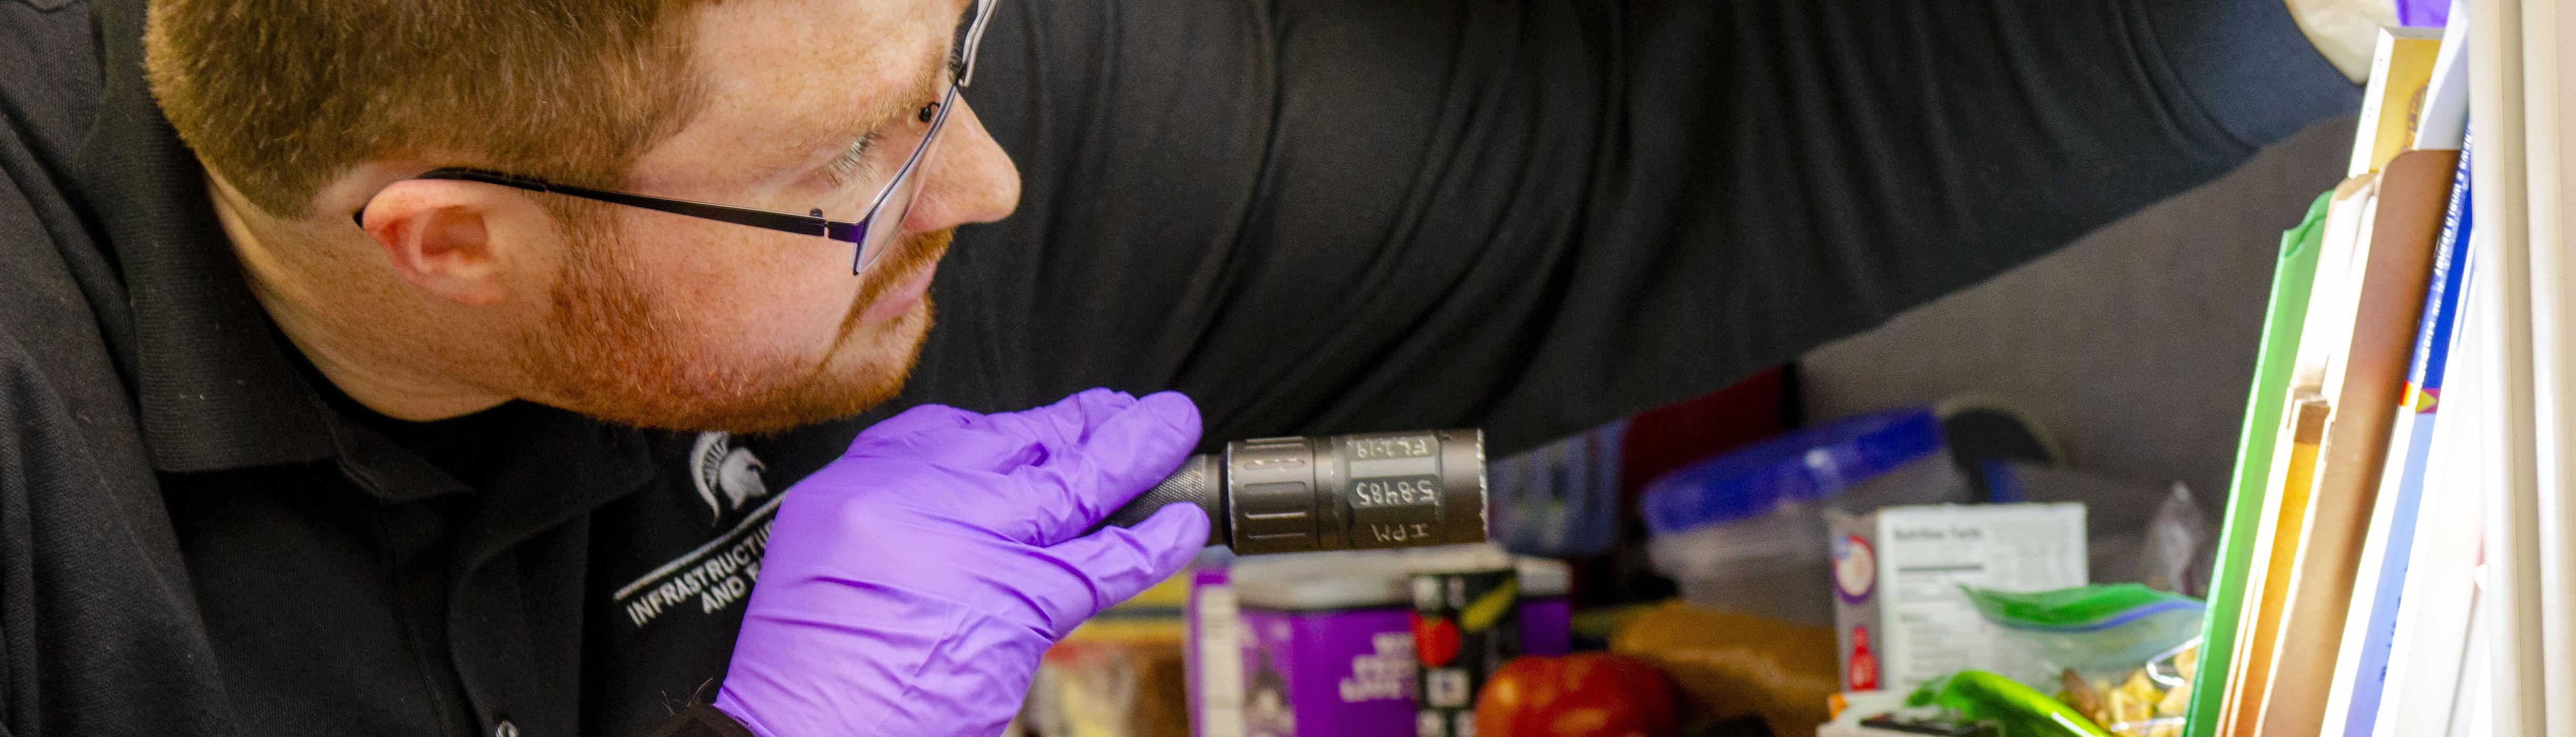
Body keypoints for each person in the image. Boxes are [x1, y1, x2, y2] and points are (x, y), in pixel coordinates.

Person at [0, 0, 2383, 734]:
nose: (990, 180)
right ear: (449, 241)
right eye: (870, 152)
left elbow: (1643, 180)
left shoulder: (826, 93)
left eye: (953, 46)